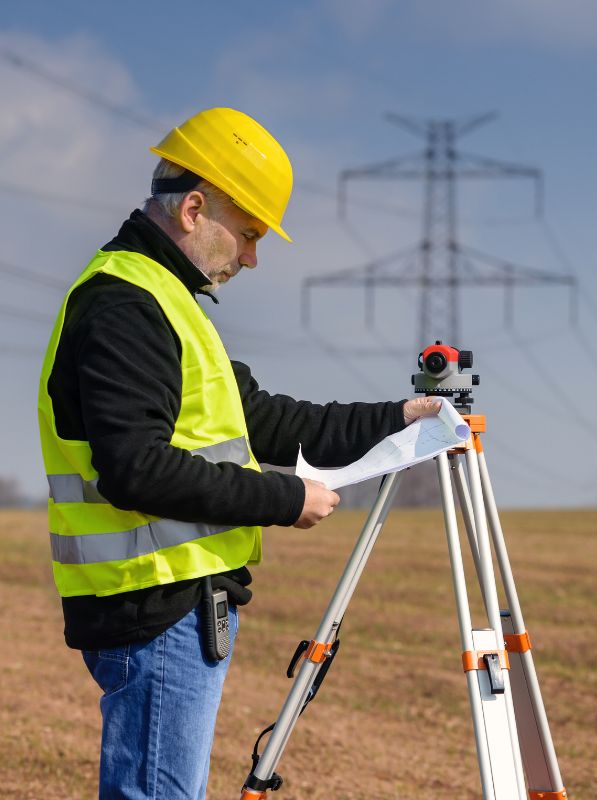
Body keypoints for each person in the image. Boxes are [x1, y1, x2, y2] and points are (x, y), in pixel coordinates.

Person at [36, 107, 442, 800]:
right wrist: (286, 499)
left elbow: (271, 422)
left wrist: (401, 418)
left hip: (173, 605)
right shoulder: (125, 306)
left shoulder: (170, 303)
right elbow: (137, 467)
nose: (253, 257)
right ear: (194, 209)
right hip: (155, 607)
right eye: (249, 233)